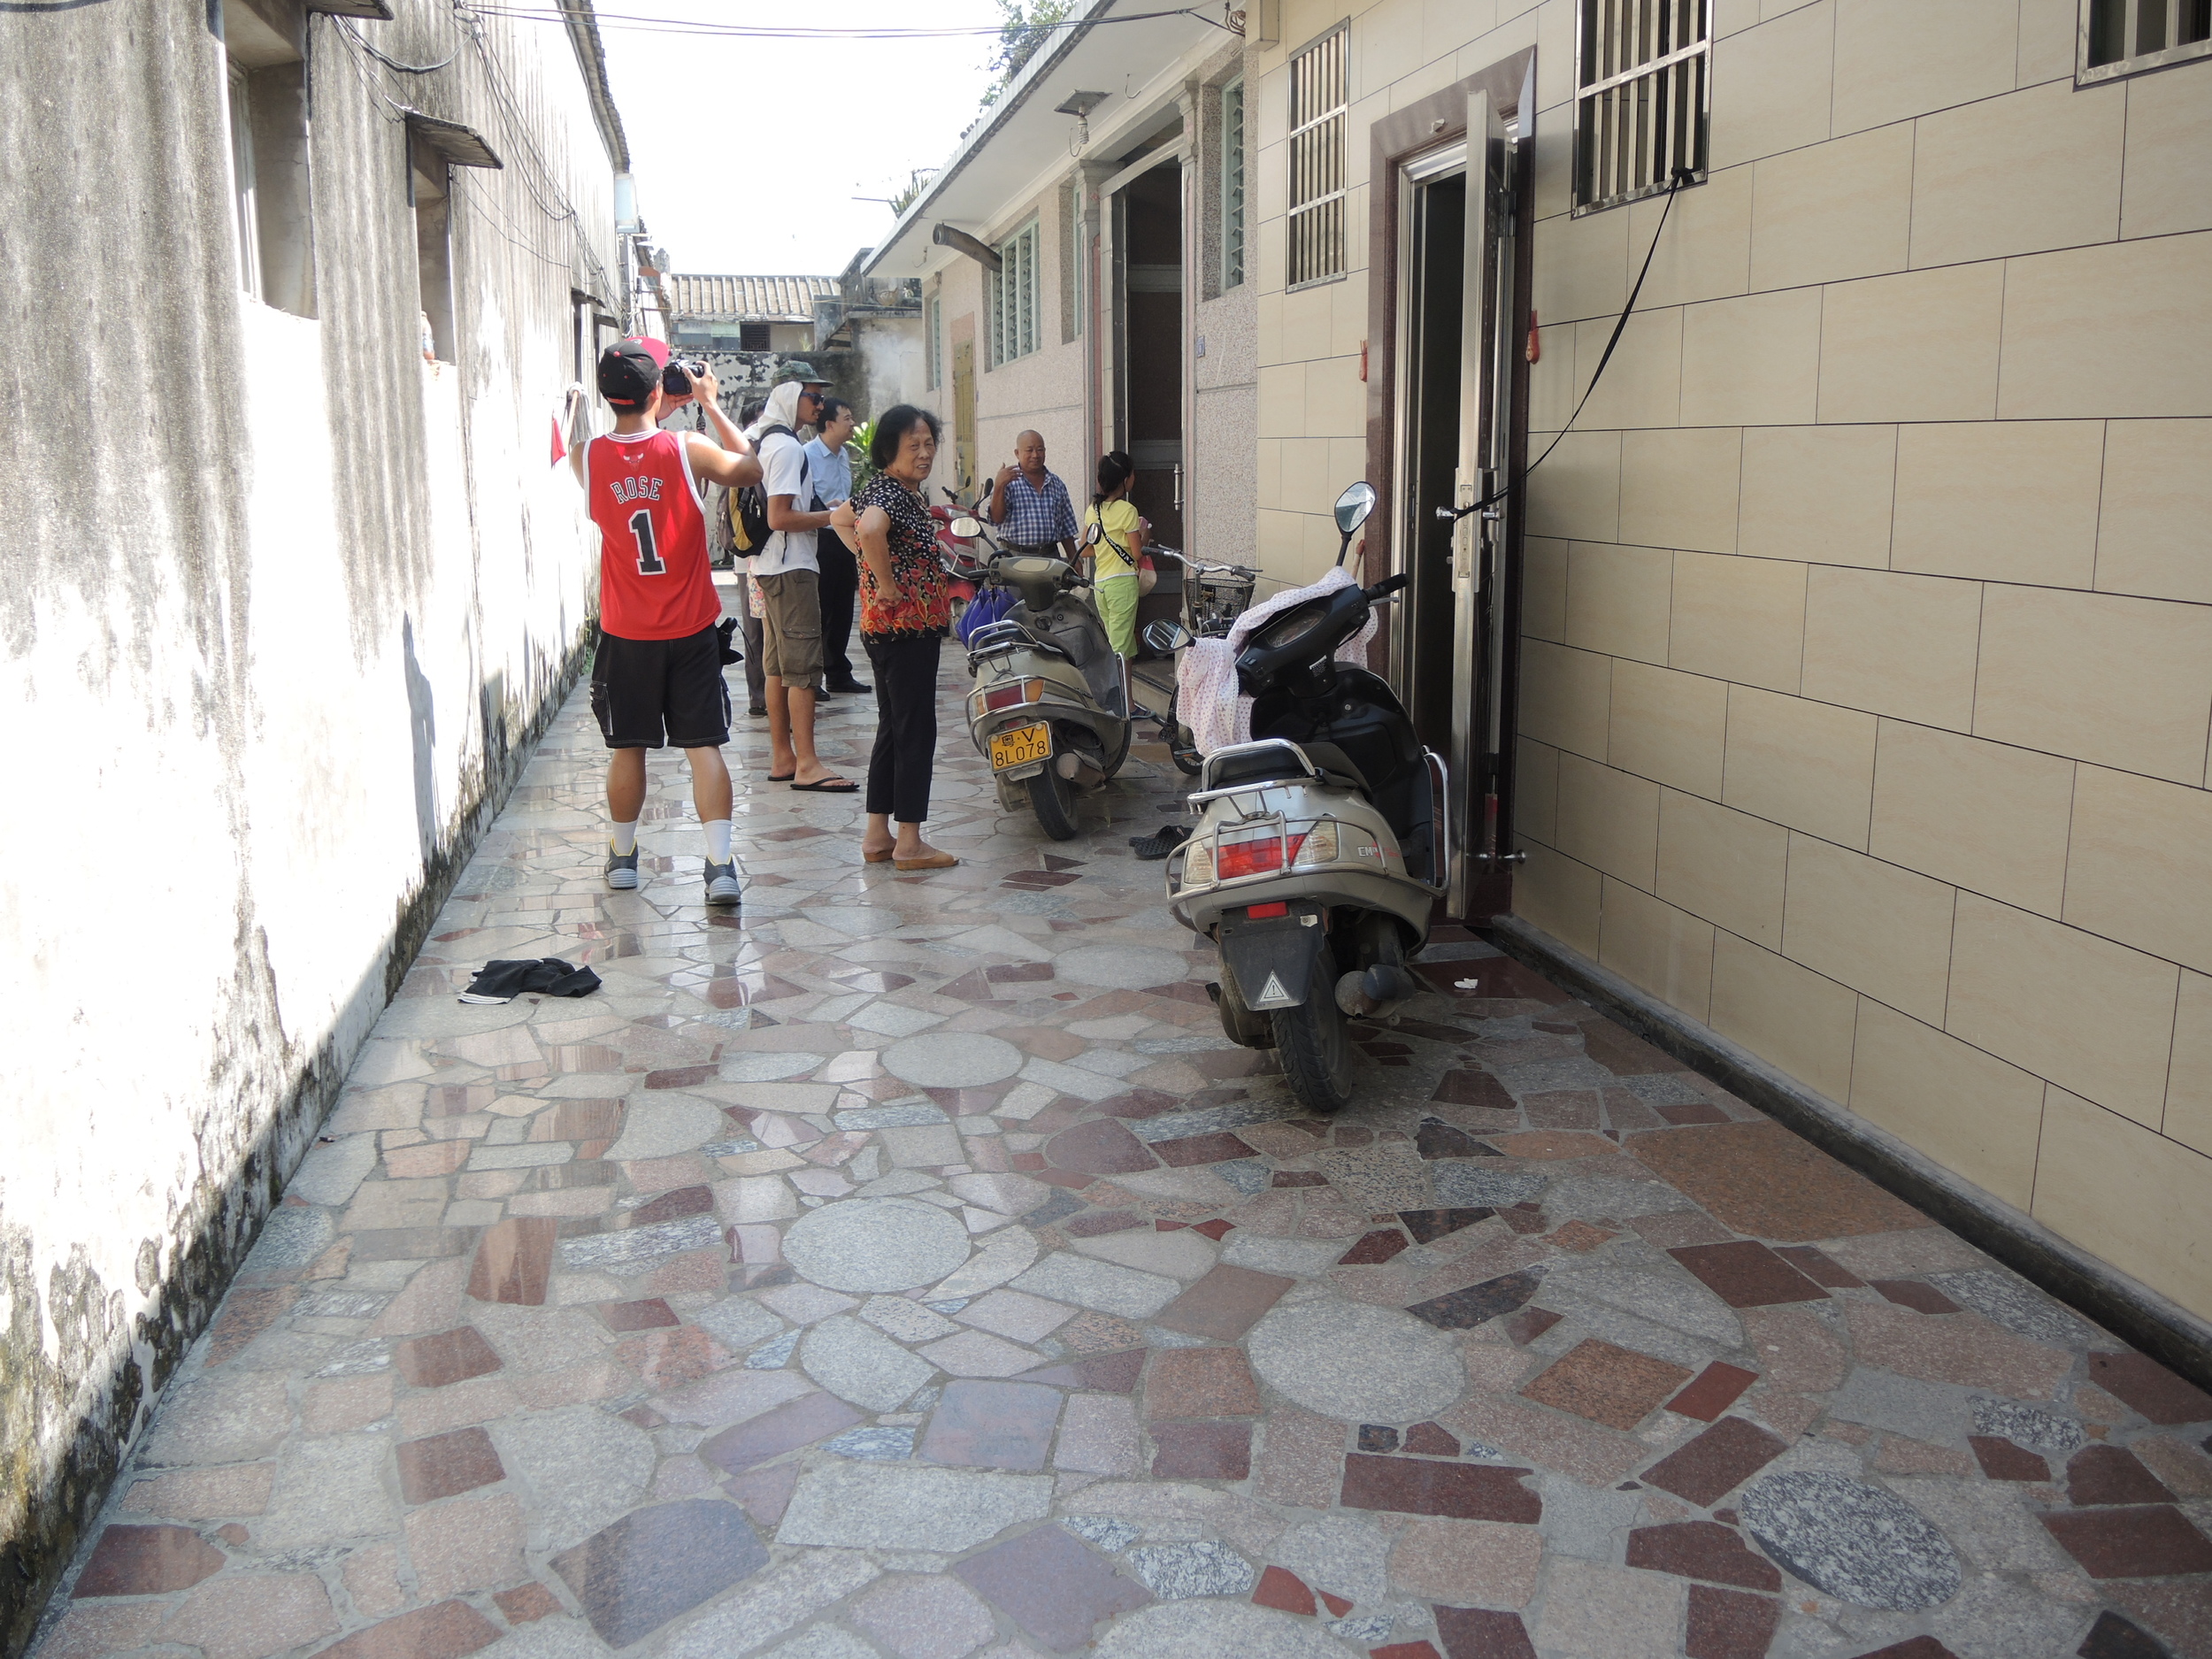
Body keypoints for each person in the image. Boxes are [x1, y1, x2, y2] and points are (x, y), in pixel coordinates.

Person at [570, 338, 762, 903]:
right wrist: (710, 403)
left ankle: (625, 856)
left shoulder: (587, 457)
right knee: (704, 747)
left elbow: (621, 447)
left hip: (627, 632)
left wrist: (652, 409)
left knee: (627, 748)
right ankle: (720, 865)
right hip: (692, 628)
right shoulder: (688, 448)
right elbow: (751, 468)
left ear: (608, 397)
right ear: (659, 391)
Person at [828, 406, 956, 872]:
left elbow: (843, 521)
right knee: (915, 731)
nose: (924, 454)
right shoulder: (891, 495)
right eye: (913, 447)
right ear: (889, 452)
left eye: (928, 444)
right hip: (907, 631)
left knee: (892, 728)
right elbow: (867, 527)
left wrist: (868, 562)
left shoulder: (885, 490)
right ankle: (910, 842)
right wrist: (883, 581)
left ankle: (877, 835)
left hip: (885, 633)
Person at [747, 365, 856, 791]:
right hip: (792, 567)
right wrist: (833, 516)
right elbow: (779, 516)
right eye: (813, 397)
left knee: (777, 667)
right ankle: (808, 764)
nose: (819, 404)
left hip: (770, 567)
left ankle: (783, 757)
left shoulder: (767, 439)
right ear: (793, 398)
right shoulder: (789, 449)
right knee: (804, 670)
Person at [805, 397, 872, 697]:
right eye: (846, 417)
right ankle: (813, 676)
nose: (852, 422)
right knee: (821, 609)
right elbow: (802, 499)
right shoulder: (806, 455)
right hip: (820, 538)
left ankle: (838, 672)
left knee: (844, 607)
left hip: (845, 536)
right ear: (829, 423)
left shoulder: (844, 454)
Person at [1083, 449, 1147, 660]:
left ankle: (1126, 694)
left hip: (1101, 583)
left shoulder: (1093, 510)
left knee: (1124, 648)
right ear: (1126, 480)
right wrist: (1145, 534)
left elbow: (1086, 549)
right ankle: (1114, 693)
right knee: (1118, 652)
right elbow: (1137, 553)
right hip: (1123, 584)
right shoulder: (1128, 511)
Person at [985, 429, 1078, 558]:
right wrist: (999, 486)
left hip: (1050, 556)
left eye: (1040, 449)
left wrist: (1075, 559)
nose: (1035, 455)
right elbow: (996, 519)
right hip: (1014, 557)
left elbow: (1066, 529)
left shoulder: (1056, 483)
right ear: (1017, 453)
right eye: (1029, 450)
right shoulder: (1008, 481)